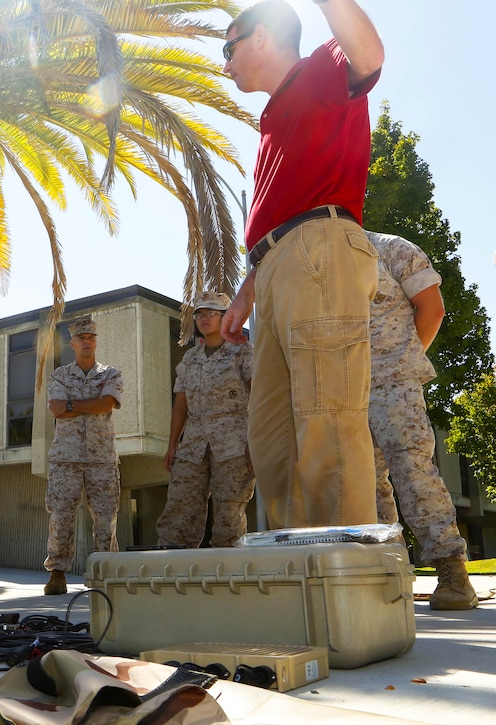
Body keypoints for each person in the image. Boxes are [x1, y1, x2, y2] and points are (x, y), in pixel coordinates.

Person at [219, 0, 384, 528]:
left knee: (325, 426)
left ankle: (344, 595)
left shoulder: (320, 68)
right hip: (274, 271)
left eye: (230, 48)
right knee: (272, 442)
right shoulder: (272, 114)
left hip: (318, 252)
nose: (225, 65)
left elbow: (369, 53)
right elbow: (276, 218)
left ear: (262, 36)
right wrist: (248, 291)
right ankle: (302, 580)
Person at [365, 231, 478, 610]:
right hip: (339, 391)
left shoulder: (389, 248)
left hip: (393, 384)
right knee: (363, 485)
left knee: (413, 473)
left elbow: (432, 308)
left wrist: (401, 365)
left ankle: (452, 574)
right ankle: (388, 576)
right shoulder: (315, 260)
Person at [156, 292, 254, 548]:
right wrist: (172, 445)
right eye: (199, 314)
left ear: (225, 317)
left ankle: (228, 574)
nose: (204, 318)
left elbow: (258, 396)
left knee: (228, 513)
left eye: (211, 313)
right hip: (193, 446)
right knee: (179, 507)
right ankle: (173, 570)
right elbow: (181, 404)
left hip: (234, 445)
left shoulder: (243, 352)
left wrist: (256, 443)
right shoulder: (190, 359)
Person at [43, 317, 123, 595]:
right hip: (66, 458)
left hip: (102, 458)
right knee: (61, 515)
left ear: (96, 341)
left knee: (105, 517)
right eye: (82, 338)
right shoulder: (59, 376)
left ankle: (106, 573)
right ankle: (57, 573)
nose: (87, 341)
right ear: (72, 343)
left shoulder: (111, 374)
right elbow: (56, 409)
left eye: (91, 337)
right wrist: (90, 405)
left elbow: (106, 404)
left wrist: (72, 404)